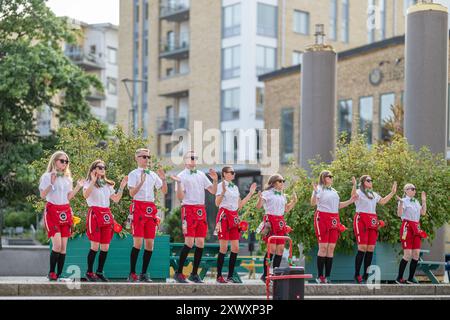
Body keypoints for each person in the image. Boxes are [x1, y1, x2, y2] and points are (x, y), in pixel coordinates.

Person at [171, 151, 218, 283]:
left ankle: (194, 274)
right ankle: (179, 273)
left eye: (195, 157)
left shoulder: (201, 174)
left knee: (200, 243)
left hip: (200, 209)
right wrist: (179, 183)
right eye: (191, 157)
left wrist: (215, 180)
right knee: (189, 242)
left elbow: (213, 191)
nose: (194, 160)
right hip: (188, 209)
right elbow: (180, 197)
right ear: (185, 160)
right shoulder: (181, 176)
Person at [39, 151, 84, 281]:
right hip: (52, 211)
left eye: (66, 161)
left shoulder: (67, 178)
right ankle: (51, 272)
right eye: (62, 160)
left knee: (64, 246)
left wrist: (78, 187)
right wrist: (51, 183)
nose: (64, 163)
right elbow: (42, 196)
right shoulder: (47, 176)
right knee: (57, 245)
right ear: (54, 161)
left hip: (65, 211)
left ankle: (60, 274)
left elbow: (68, 197)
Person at [83, 160, 128, 282]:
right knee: (95, 245)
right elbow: (86, 195)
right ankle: (89, 272)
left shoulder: (107, 185)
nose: (103, 169)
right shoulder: (88, 182)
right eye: (100, 167)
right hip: (95, 214)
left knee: (105, 247)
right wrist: (93, 181)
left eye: (104, 167)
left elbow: (116, 199)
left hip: (106, 214)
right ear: (93, 169)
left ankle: (99, 272)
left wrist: (122, 187)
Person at [127, 148, 168, 282]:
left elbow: (164, 190)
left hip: (150, 208)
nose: (146, 159)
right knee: (138, 243)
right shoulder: (133, 174)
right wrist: (141, 182)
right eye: (144, 157)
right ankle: (132, 273)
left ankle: (144, 273)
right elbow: (132, 194)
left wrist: (163, 179)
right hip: (138, 207)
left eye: (148, 157)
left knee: (150, 244)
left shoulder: (152, 174)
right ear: (136, 158)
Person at [311, 170, 357, 284]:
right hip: (322, 217)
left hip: (334, 218)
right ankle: (320, 276)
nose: (331, 178)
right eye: (329, 176)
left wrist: (351, 201)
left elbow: (338, 206)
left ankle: (327, 276)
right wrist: (315, 192)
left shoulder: (334, 191)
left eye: (332, 176)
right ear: (324, 178)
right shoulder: (319, 189)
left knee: (331, 248)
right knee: (323, 247)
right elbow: (313, 203)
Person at [214, 166, 257, 283]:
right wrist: (222, 192)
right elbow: (217, 203)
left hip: (234, 216)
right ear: (224, 174)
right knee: (223, 247)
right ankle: (218, 276)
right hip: (224, 215)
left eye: (234, 172)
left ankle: (230, 276)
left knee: (236, 247)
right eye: (231, 172)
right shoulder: (220, 185)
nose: (234, 174)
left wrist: (251, 193)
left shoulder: (235, 187)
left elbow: (240, 205)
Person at [352, 176, 397, 284]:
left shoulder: (373, 193)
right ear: (363, 182)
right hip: (361, 218)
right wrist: (354, 185)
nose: (371, 182)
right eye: (368, 180)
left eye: (371, 180)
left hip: (372, 219)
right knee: (362, 247)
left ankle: (366, 275)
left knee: (371, 248)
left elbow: (382, 201)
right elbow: (353, 196)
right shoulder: (359, 191)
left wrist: (392, 193)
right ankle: (357, 274)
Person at [256, 174, 297, 282]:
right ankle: (265, 274)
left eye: (283, 181)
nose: (282, 183)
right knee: (272, 249)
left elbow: (286, 209)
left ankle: (275, 273)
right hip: (271, 220)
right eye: (280, 181)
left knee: (280, 249)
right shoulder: (267, 193)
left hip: (280, 221)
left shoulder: (282, 195)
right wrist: (259, 199)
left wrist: (294, 201)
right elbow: (259, 207)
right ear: (273, 182)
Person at [396, 184, 427, 284]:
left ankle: (410, 278)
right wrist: (400, 203)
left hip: (416, 227)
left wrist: (423, 201)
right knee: (407, 254)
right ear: (406, 190)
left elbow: (423, 213)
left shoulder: (416, 201)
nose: (414, 190)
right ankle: (399, 277)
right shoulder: (403, 201)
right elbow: (399, 214)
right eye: (412, 189)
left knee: (416, 254)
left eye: (415, 189)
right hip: (407, 227)